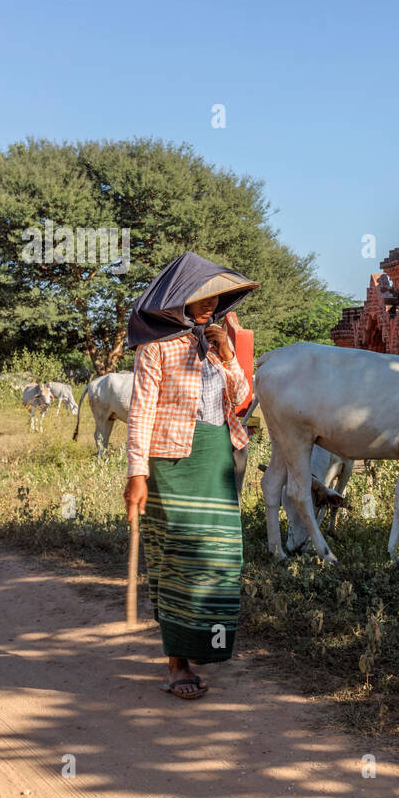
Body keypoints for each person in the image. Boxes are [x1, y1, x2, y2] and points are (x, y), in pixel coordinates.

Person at [124, 265, 257, 700]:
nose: (210, 306)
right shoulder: (155, 349)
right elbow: (141, 413)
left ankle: (206, 644)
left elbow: (240, 401)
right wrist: (136, 473)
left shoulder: (214, 347)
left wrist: (228, 356)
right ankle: (177, 661)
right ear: (180, 300)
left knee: (219, 557)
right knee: (178, 561)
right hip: (172, 464)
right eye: (202, 298)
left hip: (217, 456)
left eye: (215, 299)